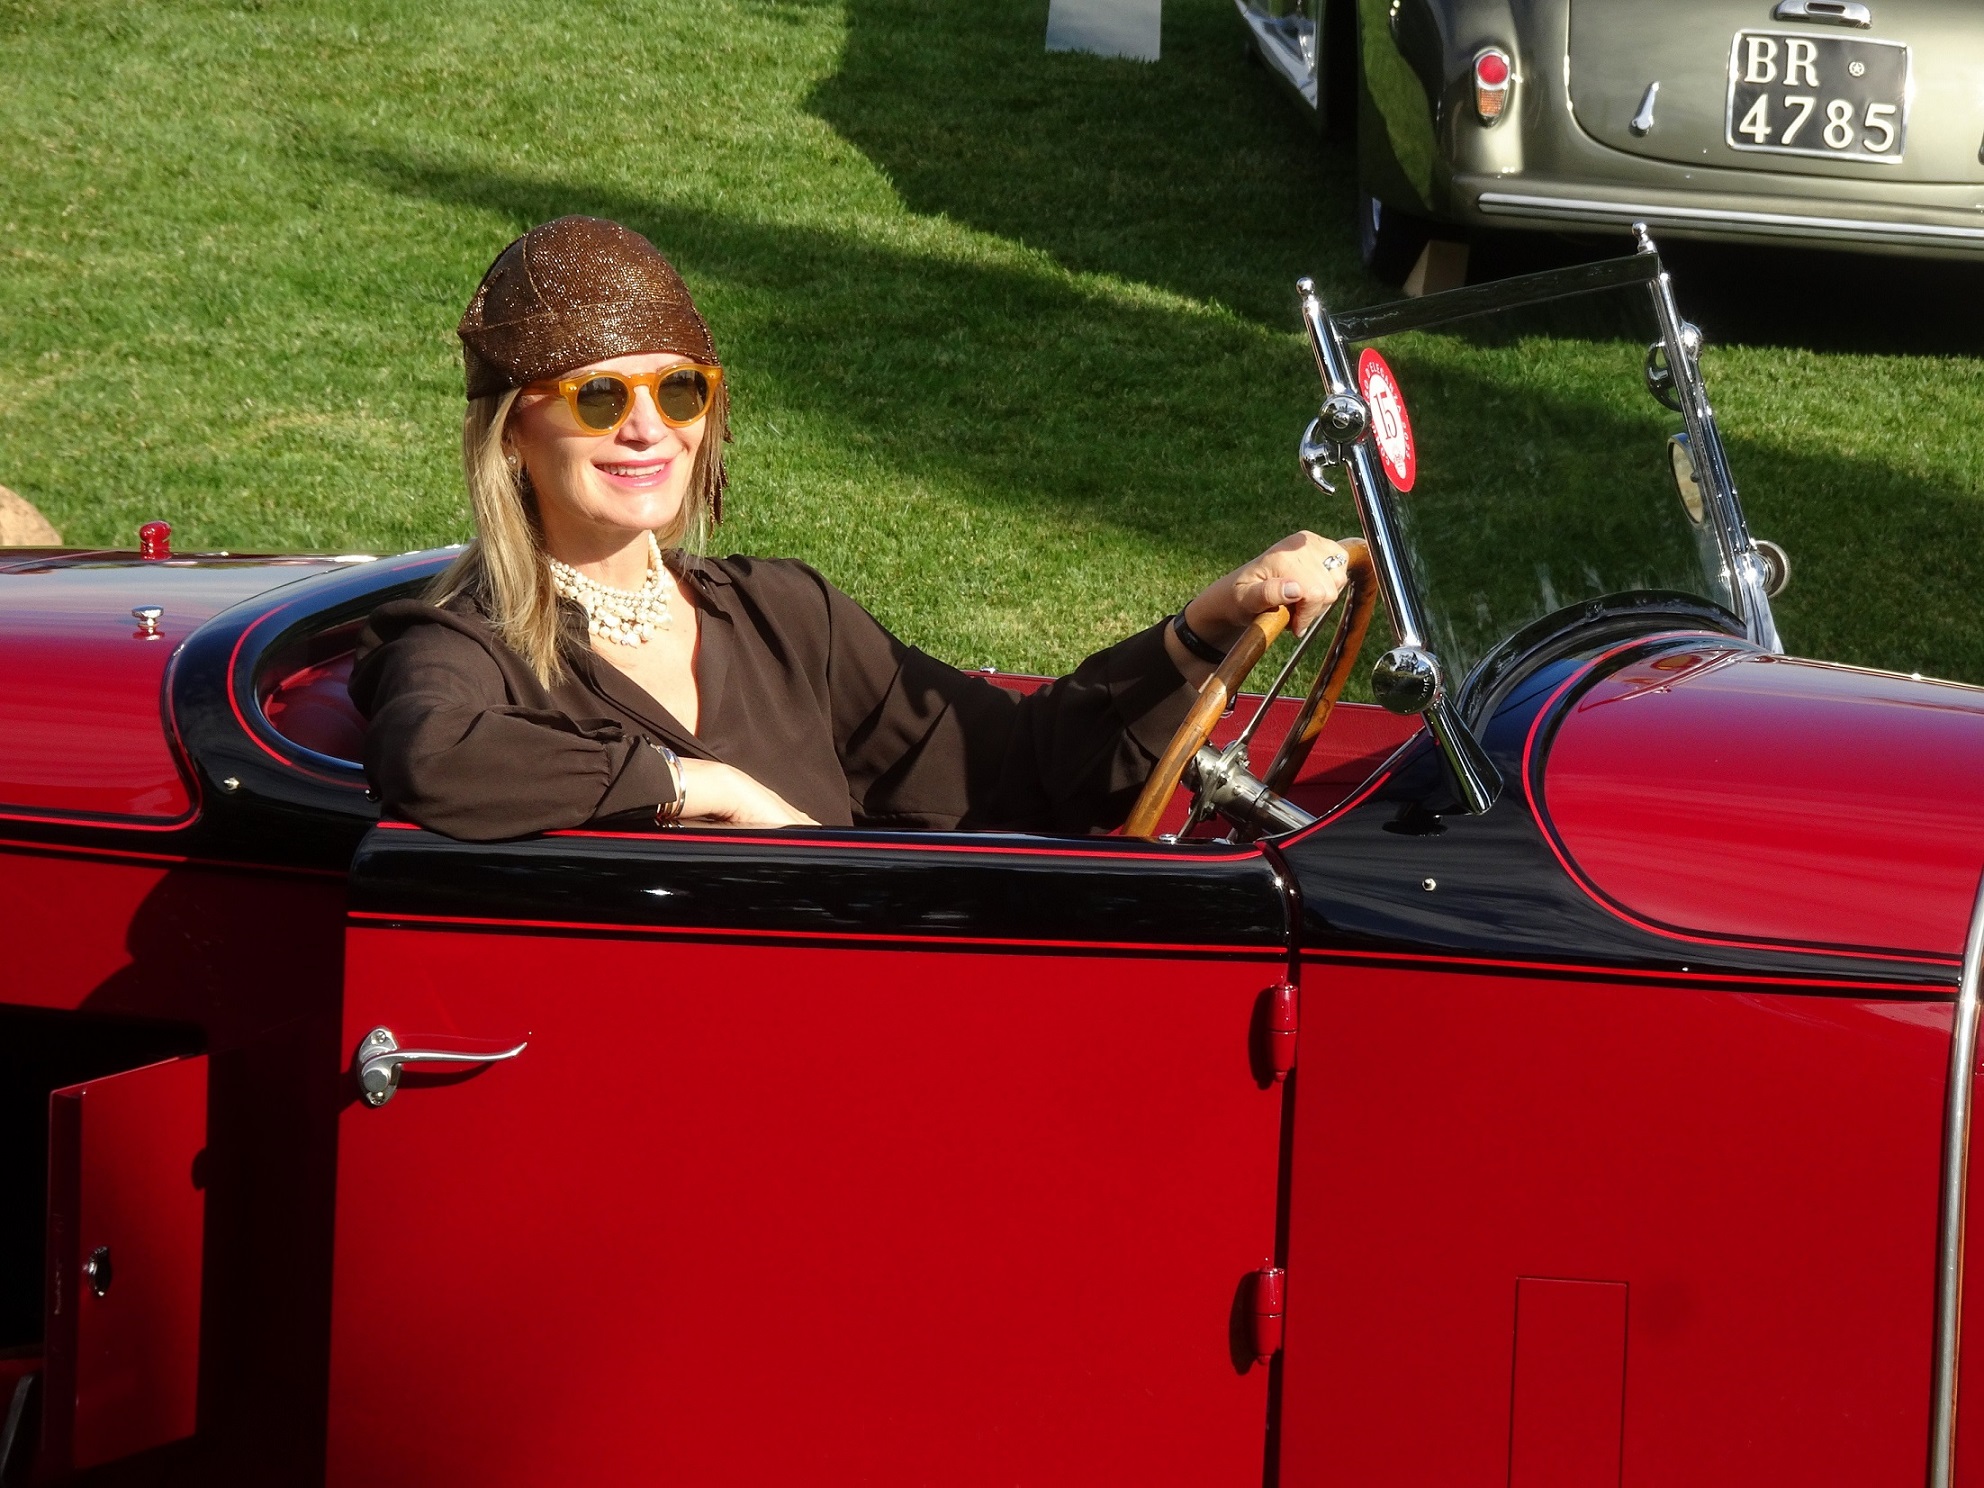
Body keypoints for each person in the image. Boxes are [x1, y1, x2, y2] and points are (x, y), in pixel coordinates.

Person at [349, 216, 1350, 840]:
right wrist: (700, 787)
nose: (650, 428)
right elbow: (433, 754)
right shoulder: (466, 646)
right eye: (600, 396)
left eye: (680, 389)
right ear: (513, 433)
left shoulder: (786, 616)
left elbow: (1016, 766)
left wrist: (1204, 624)